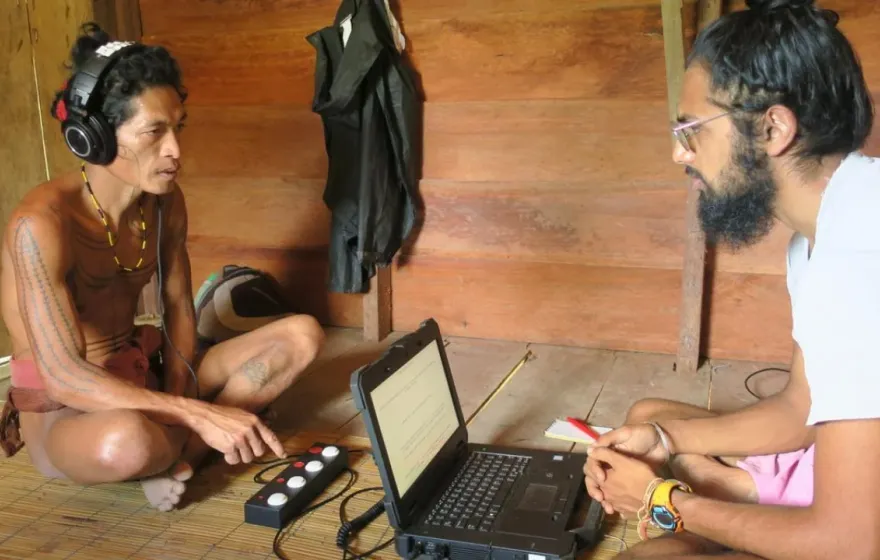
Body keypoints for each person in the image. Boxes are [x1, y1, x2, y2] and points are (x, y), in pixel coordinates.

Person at [583, 0, 879, 558]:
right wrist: (665, 440)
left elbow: (849, 545)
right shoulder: (830, 230)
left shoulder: (860, 264)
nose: (679, 153)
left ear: (773, 127)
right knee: (650, 419)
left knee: (653, 554)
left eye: (691, 130)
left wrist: (660, 498)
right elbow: (799, 409)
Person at [0, 23, 325, 512]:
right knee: (127, 441)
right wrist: (195, 411)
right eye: (154, 131)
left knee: (301, 335)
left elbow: (178, 308)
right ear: (95, 138)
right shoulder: (40, 224)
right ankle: (186, 444)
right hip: (68, 410)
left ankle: (181, 458)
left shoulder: (164, 204)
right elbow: (65, 375)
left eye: (179, 127)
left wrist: (178, 399)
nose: (175, 150)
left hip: (142, 376)